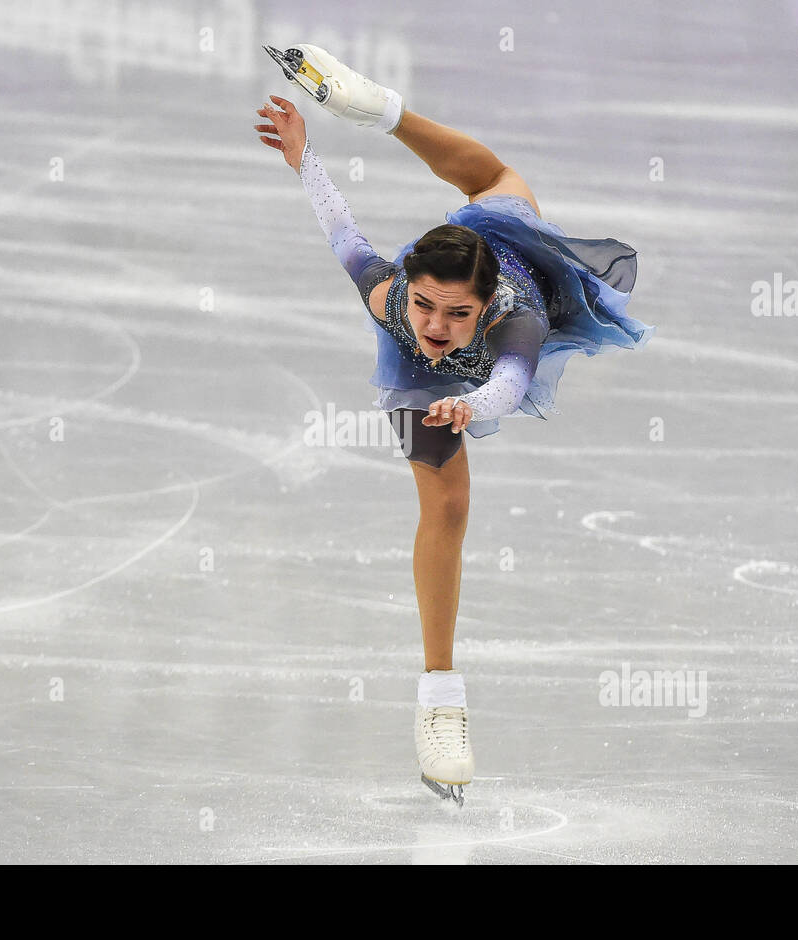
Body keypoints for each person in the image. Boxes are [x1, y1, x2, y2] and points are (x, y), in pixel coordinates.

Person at [255, 44, 654, 806]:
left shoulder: (520, 316)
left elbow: (509, 383)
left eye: (455, 314)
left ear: (485, 305)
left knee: (500, 186)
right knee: (448, 503)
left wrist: (470, 404)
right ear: (408, 290)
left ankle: (384, 110)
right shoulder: (393, 303)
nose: (437, 326)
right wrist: (304, 158)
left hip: (497, 298)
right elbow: (344, 233)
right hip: (422, 378)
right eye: (425, 305)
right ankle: (441, 699)